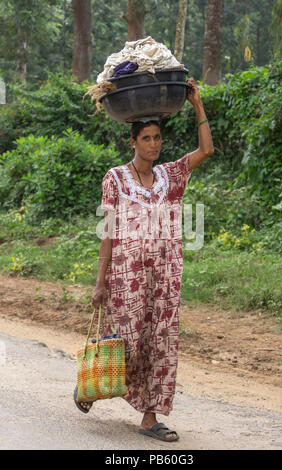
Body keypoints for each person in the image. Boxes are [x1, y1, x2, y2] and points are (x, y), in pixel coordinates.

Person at [75, 78, 214, 442]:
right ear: (132, 141)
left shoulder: (171, 175)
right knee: (128, 342)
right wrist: (100, 279)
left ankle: (150, 418)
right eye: (146, 138)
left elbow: (206, 150)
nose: (153, 145)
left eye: (157, 138)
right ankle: (93, 384)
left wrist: (197, 103)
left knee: (161, 342)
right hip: (126, 275)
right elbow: (107, 231)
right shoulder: (116, 179)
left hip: (166, 276)